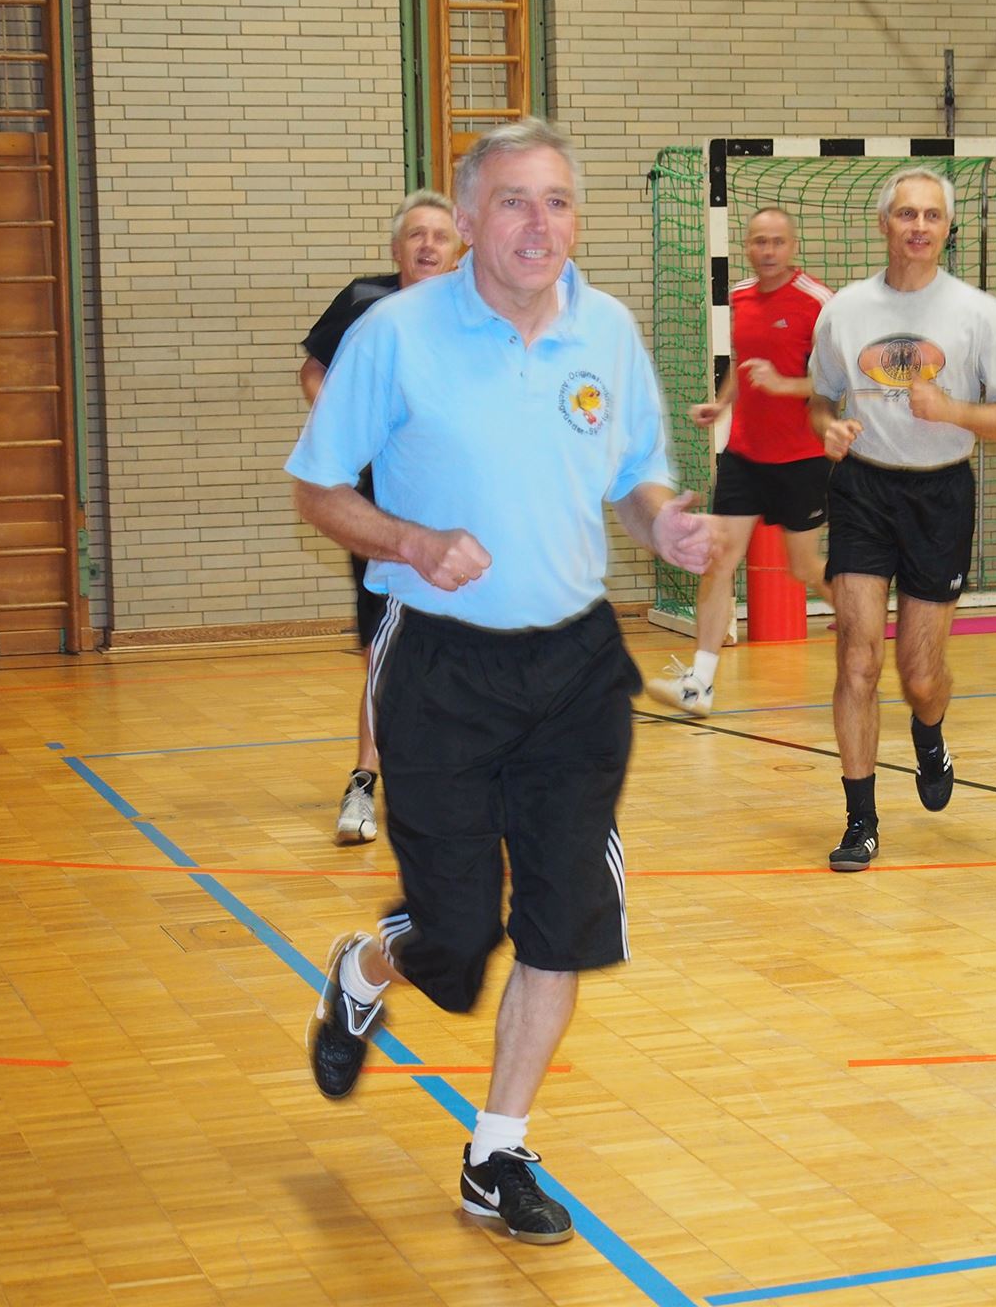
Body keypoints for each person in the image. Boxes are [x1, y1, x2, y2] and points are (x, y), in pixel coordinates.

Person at [286, 119, 720, 1245]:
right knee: (454, 936)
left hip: (574, 669)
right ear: (471, 220)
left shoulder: (606, 329)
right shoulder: (396, 334)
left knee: (563, 923)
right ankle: (366, 967)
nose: (541, 224)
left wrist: (664, 524)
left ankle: (498, 1150)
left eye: (559, 201)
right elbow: (318, 489)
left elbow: (635, 477)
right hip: (441, 666)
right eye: (516, 202)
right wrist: (411, 540)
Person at [807, 167, 996, 872]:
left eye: (931, 215)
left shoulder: (982, 315)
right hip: (862, 489)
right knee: (857, 658)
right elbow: (819, 398)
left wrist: (953, 410)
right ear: (884, 223)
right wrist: (828, 428)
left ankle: (929, 730)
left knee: (918, 673)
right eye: (906, 214)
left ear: (947, 228)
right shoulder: (844, 311)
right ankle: (861, 820)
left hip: (940, 496)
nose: (918, 226)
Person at [299, 189, 465, 844]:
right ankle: (365, 781)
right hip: (377, 507)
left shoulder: (475, 312)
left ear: (459, 250)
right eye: (416, 234)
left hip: (458, 504)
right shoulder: (365, 303)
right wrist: (347, 425)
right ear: (397, 248)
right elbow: (314, 371)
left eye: (440, 236)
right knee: (382, 645)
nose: (428, 245)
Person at [647, 207, 833, 714]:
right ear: (747, 246)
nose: (767, 251)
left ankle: (865, 630)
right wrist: (722, 402)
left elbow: (836, 381)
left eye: (777, 242)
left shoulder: (819, 302)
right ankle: (699, 684)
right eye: (758, 242)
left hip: (801, 459)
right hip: (745, 457)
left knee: (804, 567)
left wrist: (784, 384)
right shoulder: (741, 297)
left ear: (792, 246)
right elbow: (741, 363)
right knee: (717, 561)